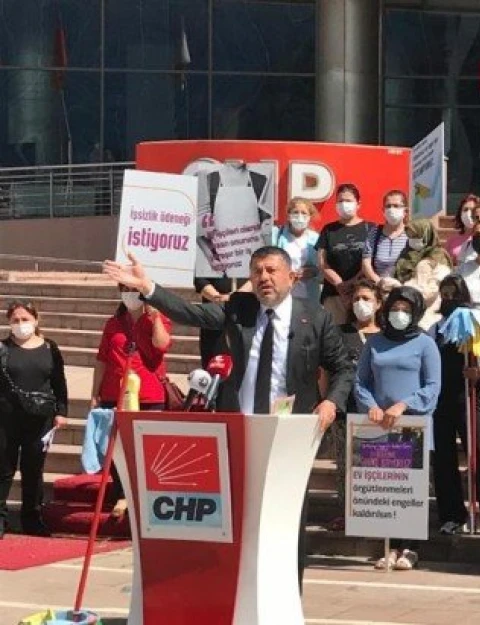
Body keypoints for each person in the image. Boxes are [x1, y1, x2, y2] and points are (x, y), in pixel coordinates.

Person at [103, 247, 355, 591]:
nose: (263, 277)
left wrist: (330, 404)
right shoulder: (240, 308)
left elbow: (342, 368)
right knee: (240, 518)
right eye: (257, 272)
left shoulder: (315, 316)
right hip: (240, 429)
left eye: (271, 270)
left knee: (288, 518)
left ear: (291, 276)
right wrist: (148, 287)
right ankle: (240, 594)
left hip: (289, 434)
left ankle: (286, 597)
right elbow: (191, 313)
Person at [356, 286, 442, 569]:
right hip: (380, 425)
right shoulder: (375, 343)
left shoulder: (425, 343)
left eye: (406, 310)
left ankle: (410, 547)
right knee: (385, 488)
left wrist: (404, 405)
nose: (399, 315)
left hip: (412, 425)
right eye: (395, 309)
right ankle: (388, 546)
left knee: (411, 489)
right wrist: (371, 405)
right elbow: (361, 381)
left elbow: (432, 387)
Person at [90, 284, 173, 519]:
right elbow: (101, 360)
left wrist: (155, 316)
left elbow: (161, 345)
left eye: (133, 289)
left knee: (146, 450)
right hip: (114, 394)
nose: (129, 294)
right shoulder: (113, 323)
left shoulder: (157, 319)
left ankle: (143, 495)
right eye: (124, 289)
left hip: (148, 394)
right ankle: (122, 493)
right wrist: (94, 393)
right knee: (117, 449)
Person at [430, 276, 480, 535]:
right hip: (441, 401)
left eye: (452, 293)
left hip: (469, 399)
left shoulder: (476, 325)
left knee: (478, 456)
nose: (448, 298)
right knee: (444, 460)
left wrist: (478, 372)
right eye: (443, 293)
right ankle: (452, 514)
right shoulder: (436, 328)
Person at [0, 301, 67, 537]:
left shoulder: (49, 348)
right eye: (15, 320)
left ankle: (32, 518)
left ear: (36, 320)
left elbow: (59, 382)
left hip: (40, 419)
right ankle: (1, 519)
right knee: (4, 469)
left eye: (25, 319)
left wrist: (62, 411)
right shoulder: (3, 348)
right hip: (6, 418)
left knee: (33, 469)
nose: (20, 324)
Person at [326, 280, 384, 532]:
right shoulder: (339, 332)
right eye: (357, 298)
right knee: (345, 464)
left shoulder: (386, 336)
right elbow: (326, 371)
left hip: (378, 412)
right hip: (345, 408)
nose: (361, 303)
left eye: (367, 298)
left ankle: (377, 511)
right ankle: (346, 512)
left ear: (379, 303)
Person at [318, 183, 379, 324]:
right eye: (340, 201)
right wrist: (339, 284)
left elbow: (371, 261)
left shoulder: (371, 228)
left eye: (348, 200)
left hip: (363, 294)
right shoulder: (329, 229)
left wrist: (352, 283)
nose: (344, 204)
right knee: (335, 336)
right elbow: (322, 262)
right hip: (334, 294)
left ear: (358, 204)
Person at [394, 218, 454, 327]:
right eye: (410, 236)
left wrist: (404, 289)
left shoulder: (438, 257)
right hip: (403, 312)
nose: (413, 240)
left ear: (427, 235)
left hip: (429, 315)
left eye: (416, 236)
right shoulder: (405, 255)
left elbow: (432, 290)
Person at [271, 197, 322, 304]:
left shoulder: (316, 239)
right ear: (289, 215)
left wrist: (313, 272)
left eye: (304, 213)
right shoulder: (276, 235)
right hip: (282, 293)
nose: (300, 216)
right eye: (296, 212)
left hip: (308, 294)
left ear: (310, 217)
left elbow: (322, 269)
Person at [363, 190, 410, 282]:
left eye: (396, 206)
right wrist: (380, 283)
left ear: (405, 211)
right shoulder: (374, 233)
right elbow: (366, 264)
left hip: (403, 289)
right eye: (388, 206)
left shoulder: (411, 234)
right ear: (383, 210)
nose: (392, 209)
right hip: (379, 288)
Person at [193, 277, 234, 364]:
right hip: (213, 318)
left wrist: (236, 296)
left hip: (244, 317)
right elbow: (200, 280)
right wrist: (218, 298)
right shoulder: (205, 263)